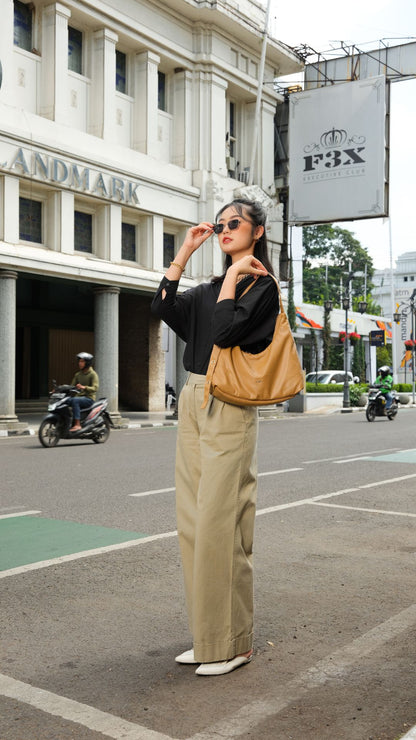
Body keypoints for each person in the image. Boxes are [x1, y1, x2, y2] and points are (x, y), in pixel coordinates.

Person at [151, 198, 279, 676]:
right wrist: (184, 253)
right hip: (193, 397)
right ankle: (208, 639)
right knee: (193, 523)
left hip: (230, 401)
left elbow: (226, 332)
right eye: (220, 224)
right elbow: (162, 307)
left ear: (257, 232)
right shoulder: (207, 288)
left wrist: (231, 278)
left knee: (223, 524)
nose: (224, 229)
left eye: (234, 224)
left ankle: (236, 643)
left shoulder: (261, 287)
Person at [68, 352, 99, 433]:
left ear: (87, 363)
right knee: (65, 401)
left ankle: (77, 424)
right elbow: (71, 386)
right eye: (79, 361)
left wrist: (84, 387)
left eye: (82, 361)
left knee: (75, 401)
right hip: (79, 397)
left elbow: (95, 388)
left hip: (89, 398)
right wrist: (59, 389)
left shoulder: (93, 374)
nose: (79, 363)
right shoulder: (78, 374)